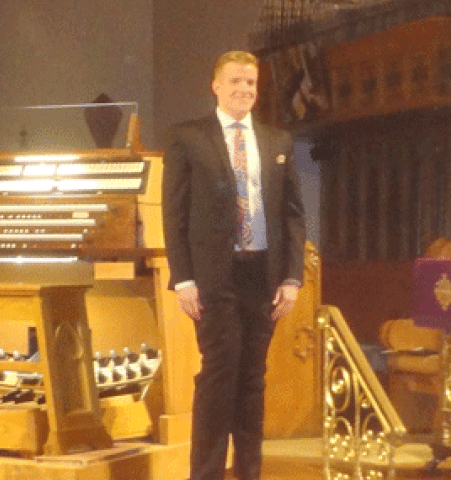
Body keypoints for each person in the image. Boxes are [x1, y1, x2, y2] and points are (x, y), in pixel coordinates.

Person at [162, 50, 306, 480]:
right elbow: (174, 213)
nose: (244, 90)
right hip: (213, 280)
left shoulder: (277, 141)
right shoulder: (188, 137)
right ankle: (205, 474)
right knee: (218, 378)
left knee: (253, 382)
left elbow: (293, 213)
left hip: (263, 278)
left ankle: (249, 473)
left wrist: (293, 277)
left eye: (250, 83)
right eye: (235, 82)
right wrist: (183, 278)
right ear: (216, 86)